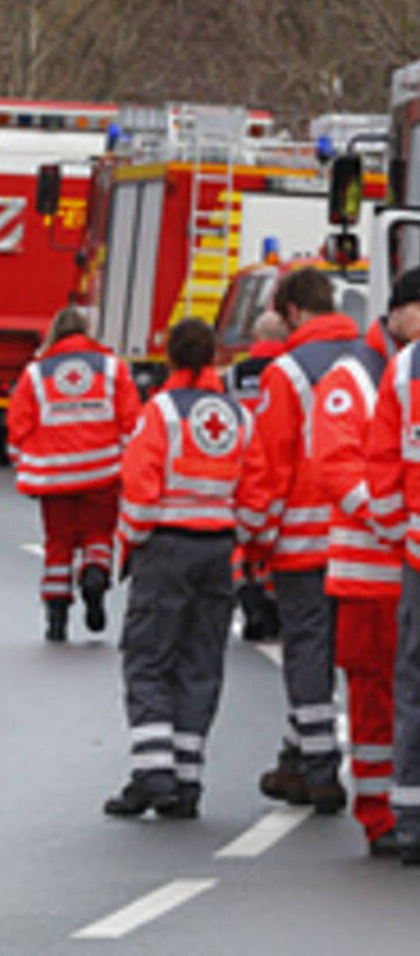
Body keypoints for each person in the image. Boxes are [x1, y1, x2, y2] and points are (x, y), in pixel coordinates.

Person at [104, 318, 251, 819]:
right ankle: (187, 780)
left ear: (169, 357)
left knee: (148, 658)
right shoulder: (235, 415)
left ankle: (153, 772)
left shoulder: (161, 413)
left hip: (167, 546)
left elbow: (140, 493)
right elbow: (252, 491)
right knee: (199, 662)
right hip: (218, 550)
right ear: (212, 358)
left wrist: (128, 545)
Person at [237, 266, 359, 814]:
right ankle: (294, 760)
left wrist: (255, 542)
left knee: (306, 648)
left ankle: (319, 765)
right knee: (345, 651)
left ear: (289, 312)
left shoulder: (286, 372)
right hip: (363, 539)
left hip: (303, 539)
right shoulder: (367, 363)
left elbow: (269, 462)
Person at [313, 270, 420, 858]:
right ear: (400, 312)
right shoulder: (352, 377)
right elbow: (337, 466)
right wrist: (395, 524)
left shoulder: (402, 373)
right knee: (375, 698)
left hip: (404, 566)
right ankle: (378, 812)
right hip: (370, 573)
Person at [7, 306, 141, 641]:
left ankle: (56, 615)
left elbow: (18, 428)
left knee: (59, 542)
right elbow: (131, 422)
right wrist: (128, 465)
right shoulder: (113, 369)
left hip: (54, 476)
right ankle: (95, 577)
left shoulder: (35, 373)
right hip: (103, 470)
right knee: (99, 533)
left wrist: (24, 466)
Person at [366, 270, 420, 866]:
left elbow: (380, 468)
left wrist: (396, 532)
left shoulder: (404, 370)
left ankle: (411, 818)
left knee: (414, 687)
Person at [225, 309, 288, 641]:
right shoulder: (290, 372)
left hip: (242, 464)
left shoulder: (234, 375)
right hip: (279, 462)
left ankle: (246, 594)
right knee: (273, 537)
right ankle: (270, 598)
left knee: (244, 533)